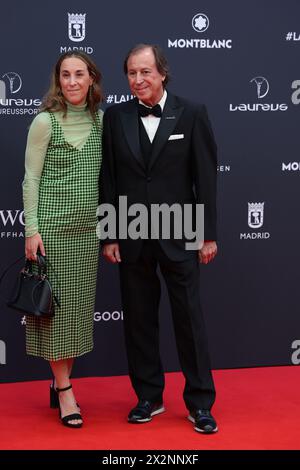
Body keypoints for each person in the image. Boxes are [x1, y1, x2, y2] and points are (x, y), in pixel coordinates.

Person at [100, 44, 218, 434]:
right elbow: (110, 179)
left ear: (163, 73)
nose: (138, 81)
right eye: (132, 73)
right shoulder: (116, 117)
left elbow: (206, 179)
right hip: (132, 233)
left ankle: (200, 403)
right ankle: (148, 397)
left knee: (189, 320)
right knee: (138, 321)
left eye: (145, 72)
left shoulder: (193, 112)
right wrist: (109, 234)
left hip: (181, 231)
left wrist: (208, 234)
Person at [23, 51, 103, 428]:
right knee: (54, 318)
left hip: (88, 235)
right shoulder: (44, 122)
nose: (72, 81)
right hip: (52, 234)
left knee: (73, 317)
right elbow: (31, 180)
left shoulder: (102, 121)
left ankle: (58, 383)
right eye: (65, 75)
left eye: (79, 74)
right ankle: (65, 389)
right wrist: (31, 230)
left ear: (91, 79)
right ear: (58, 80)